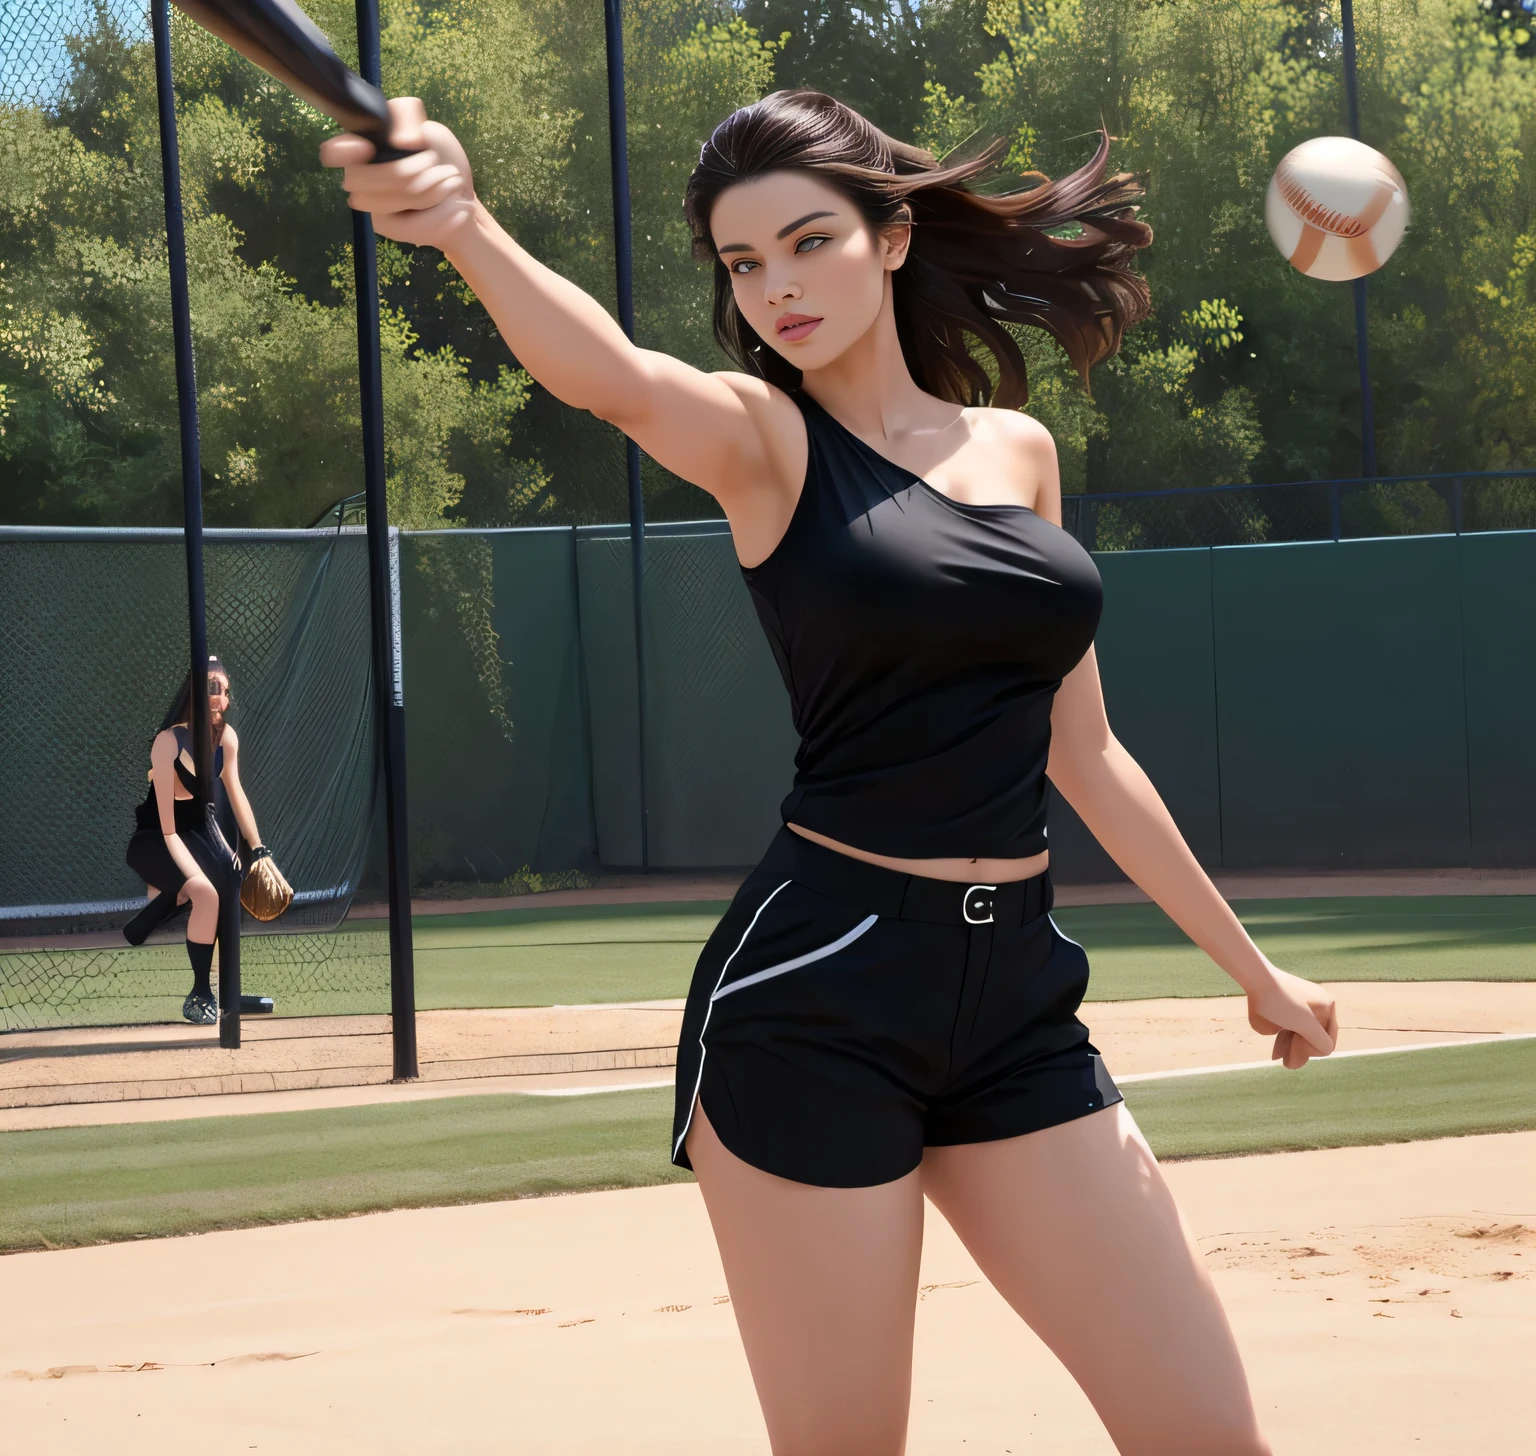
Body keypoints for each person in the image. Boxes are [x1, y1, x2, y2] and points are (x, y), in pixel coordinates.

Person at [323, 89, 1338, 1454]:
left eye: (809, 243)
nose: (778, 289)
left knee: (1211, 1436)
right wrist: (460, 221)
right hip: (822, 992)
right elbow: (611, 373)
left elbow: (1085, 754)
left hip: (1020, 1001)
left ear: (896, 237)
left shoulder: (1017, 452)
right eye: (746, 264)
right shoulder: (766, 442)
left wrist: (1251, 967)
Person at [125, 656, 270, 1025]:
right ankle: (200, 995)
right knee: (205, 893)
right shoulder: (167, 744)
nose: (218, 696)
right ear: (194, 694)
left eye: (222, 689)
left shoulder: (228, 739)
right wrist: (194, 879)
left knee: (231, 879)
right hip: (157, 837)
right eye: (209, 687)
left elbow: (235, 794)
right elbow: (167, 828)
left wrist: (257, 849)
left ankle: (229, 992)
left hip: (199, 831)